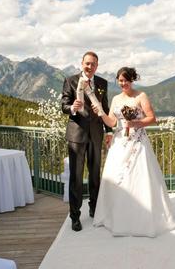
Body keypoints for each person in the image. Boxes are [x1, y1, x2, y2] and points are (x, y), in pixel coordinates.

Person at [92, 67, 175, 237]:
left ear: (132, 80)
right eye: (120, 80)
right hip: (119, 142)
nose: (123, 83)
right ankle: (117, 217)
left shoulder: (141, 96)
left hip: (138, 142)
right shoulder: (116, 99)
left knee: (139, 177)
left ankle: (142, 218)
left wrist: (136, 123)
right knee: (118, 177)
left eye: (126, 80)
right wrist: (101, 113)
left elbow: (152, 118)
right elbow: (111, 122)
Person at [61, 51, 112, 232]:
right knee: (75, 177)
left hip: (96, 134)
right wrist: (72, 108)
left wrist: (109, 131)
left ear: (97, 66)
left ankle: (94, 209)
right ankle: (75, 216)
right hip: (77, 135)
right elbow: (63, 105)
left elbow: (104, 108)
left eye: (93, 64)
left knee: (95, 175)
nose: (90, 67)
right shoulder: (70, 81)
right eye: (87, 63)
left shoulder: (102, 83)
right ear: (81, 63)